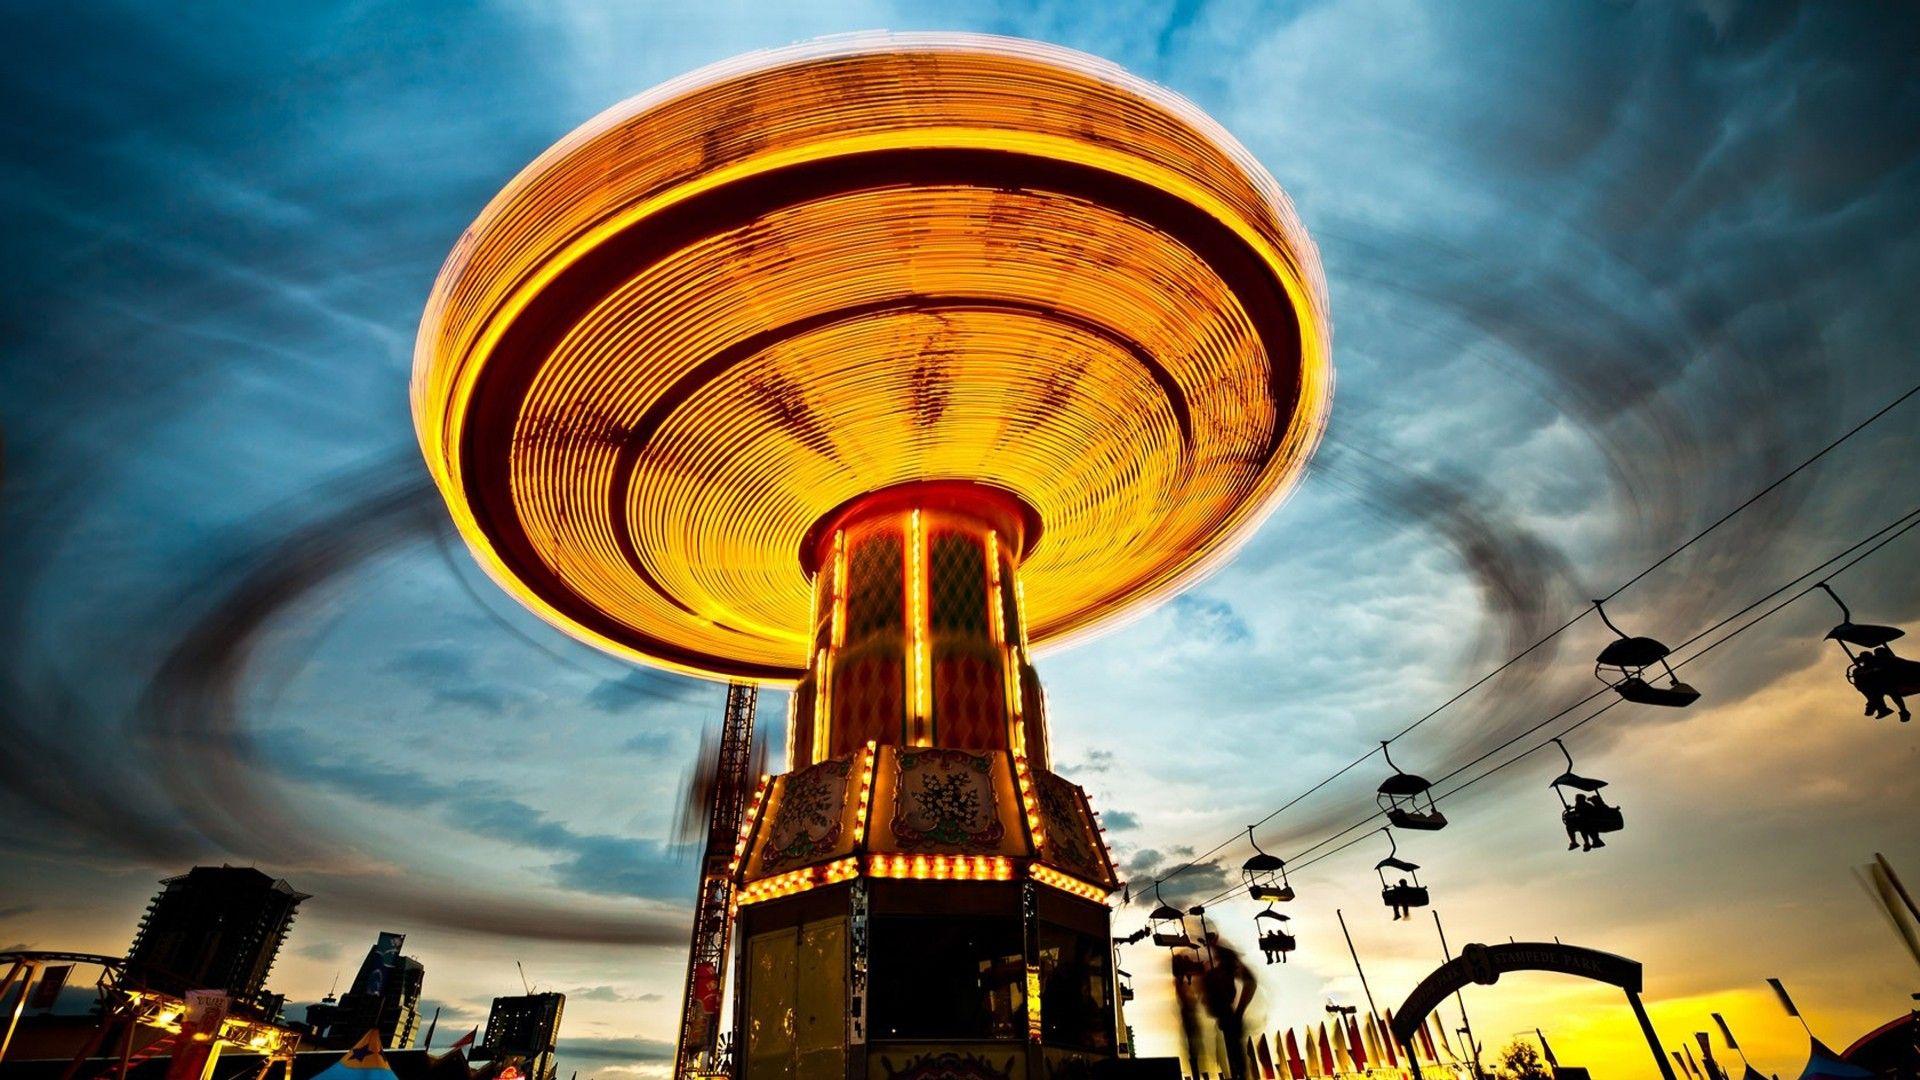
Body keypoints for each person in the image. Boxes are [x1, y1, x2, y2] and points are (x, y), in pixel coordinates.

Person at [1199, 935, 1256, 1080]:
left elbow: (1250, 982)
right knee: (1230, 1058)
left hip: (1229, 1018)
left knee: (1235, 1059)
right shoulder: (1215, 968)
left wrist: (1239, 1012)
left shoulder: (1226, 964)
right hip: (1225, 1019)